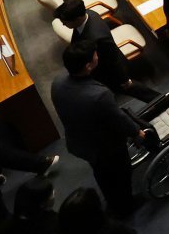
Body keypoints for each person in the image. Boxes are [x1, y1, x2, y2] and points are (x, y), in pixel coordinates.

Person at [51, 40, 147, 217]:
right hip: (106, 147)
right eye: (95, 55)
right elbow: (118, 119)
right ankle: (126, 206)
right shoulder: (99, 95)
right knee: (121, 175)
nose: (98, 56)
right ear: (88, 66)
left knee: (102, 174)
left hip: (79, 140)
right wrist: (136, 132)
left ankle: (112, 201)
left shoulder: (57, 82)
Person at [54, 0, 156, 102]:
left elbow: (113, 59)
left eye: (65, 22)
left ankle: (159, 100)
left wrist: (123, 80)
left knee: (130, 87)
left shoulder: (98, 37)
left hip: (109, 71)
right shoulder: (88, 13)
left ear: (78, 18)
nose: (63, 24)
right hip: (101, 63)